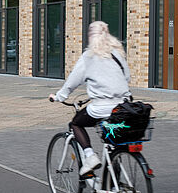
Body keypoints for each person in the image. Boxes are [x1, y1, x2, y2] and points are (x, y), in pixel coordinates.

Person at [49, 21, 131, 178]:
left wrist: (58, 97)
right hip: (123, 107)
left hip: (101, 107)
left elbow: (72, 82)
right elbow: (126, 77)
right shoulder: (117, 54)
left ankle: (90, 156)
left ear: (91, 36)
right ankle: (115, 187)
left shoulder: (88, 56)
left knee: (75, 123)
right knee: (114, 143)